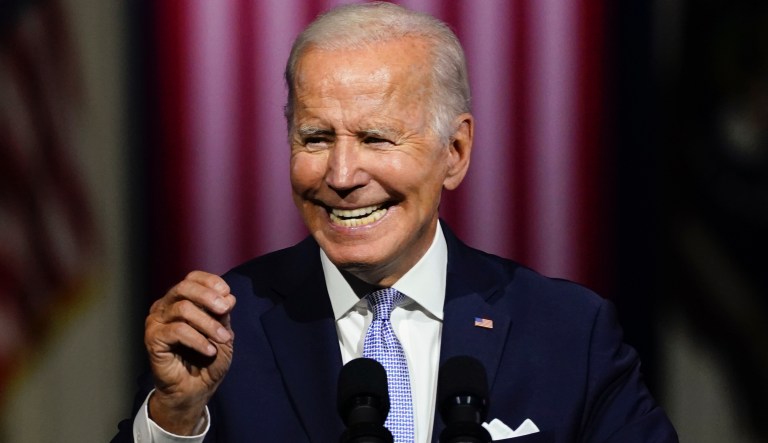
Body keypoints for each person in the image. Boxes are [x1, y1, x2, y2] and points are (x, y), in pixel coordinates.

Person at [113, 2, 678, 442]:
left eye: (374, 138)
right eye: (315, 138)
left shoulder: (566, 332)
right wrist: (175, 417)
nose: (340, 174)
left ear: (454, 152)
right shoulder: (221, 332)